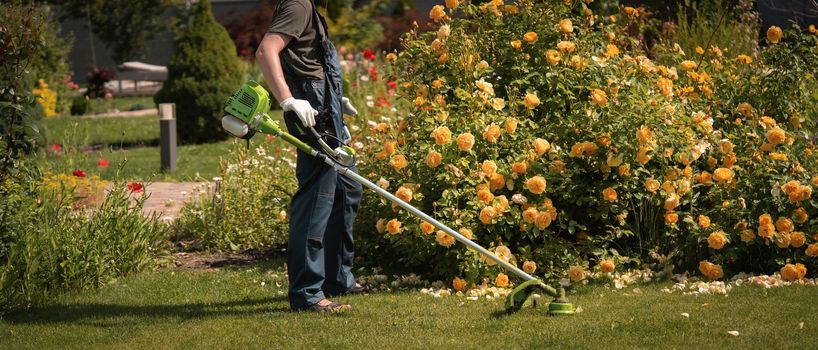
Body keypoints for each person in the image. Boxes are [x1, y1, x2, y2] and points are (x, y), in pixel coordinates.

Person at [255, 0, 364, 312]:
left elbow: (308, 61)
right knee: (317, 198)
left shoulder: (312, 9)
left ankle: (337, 278)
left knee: (347, 189)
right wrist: (289, 99)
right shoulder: (299, 5)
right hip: (310, 112)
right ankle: (307, 294)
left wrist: (336, 101)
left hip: (324, 106)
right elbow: (266, 51)